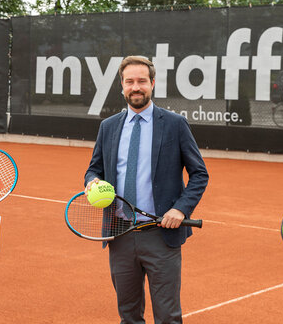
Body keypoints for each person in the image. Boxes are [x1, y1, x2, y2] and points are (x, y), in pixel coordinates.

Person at [84, 55, 209, 324]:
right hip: (120, 234)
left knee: (167, 317)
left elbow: (199, 174)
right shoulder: (108, 127)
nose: (136, 87)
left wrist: (180, 208)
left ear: (152, 83)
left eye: (142, 81)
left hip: (161, 235)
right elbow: (94, 169)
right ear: (122, 85)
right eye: (130, 82)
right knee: (128, 315)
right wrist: (91, 181)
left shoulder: (175, 124)